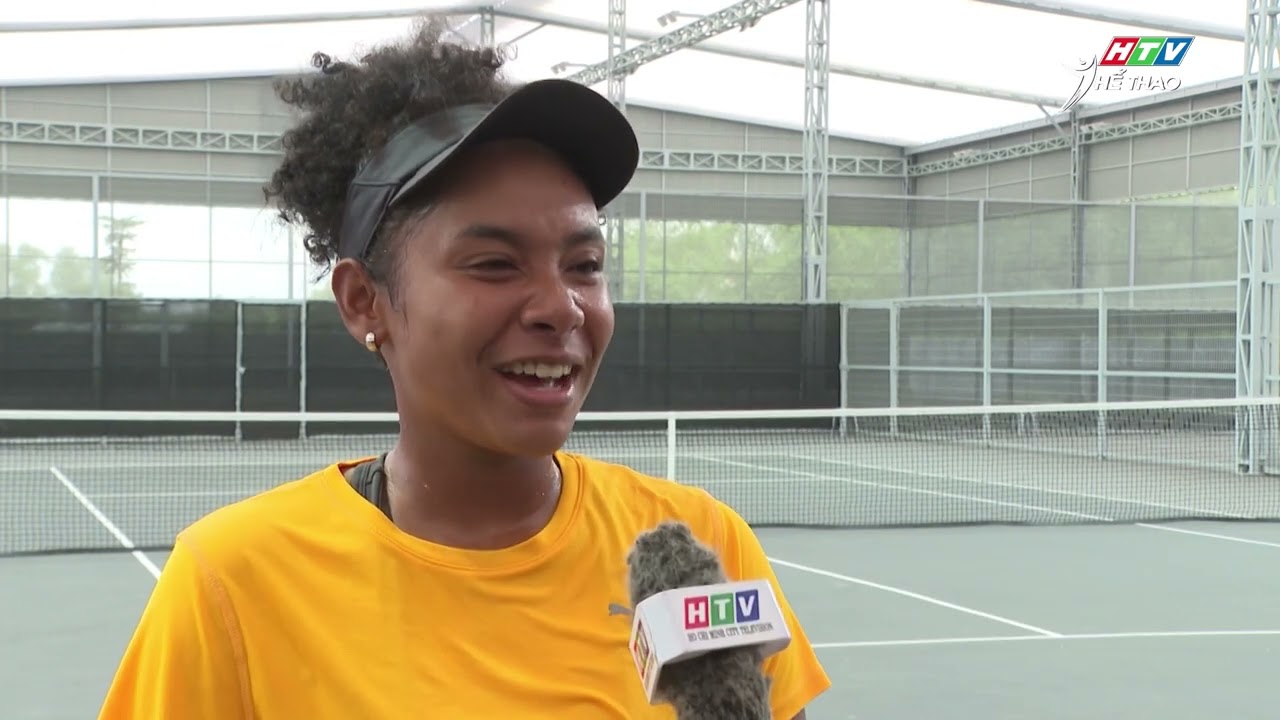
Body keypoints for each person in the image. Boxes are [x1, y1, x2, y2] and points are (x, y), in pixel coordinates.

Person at [97, 16, 831, 720]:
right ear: (363, 302)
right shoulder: (231, 582)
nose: (562, 307)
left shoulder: (703, 540)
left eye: (585, 264)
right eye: (494, 264)